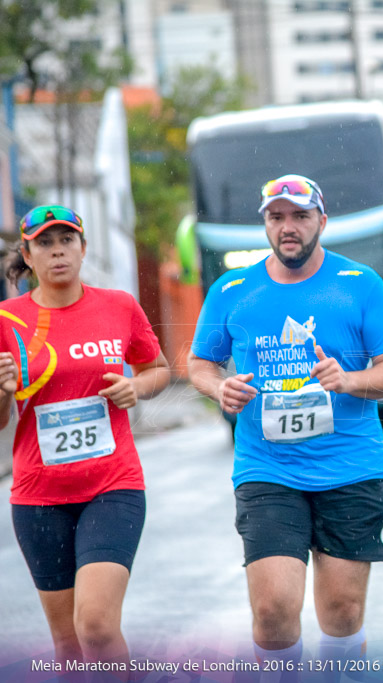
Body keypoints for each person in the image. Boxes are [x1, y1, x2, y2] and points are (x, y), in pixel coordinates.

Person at [187, 174, 383, 668]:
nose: (288, 227)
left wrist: (350, 380)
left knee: (342, 612)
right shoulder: (232, 289)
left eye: (299, 216)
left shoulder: (359, 285)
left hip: (350, 468)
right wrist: (217, 387)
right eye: (276, 217)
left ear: (321, 221)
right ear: (265, 224)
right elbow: (200, 363)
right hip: (267, 469)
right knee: (272, 612)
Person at [0, 205, 170, 668]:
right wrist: (4, 391)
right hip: (39, 496)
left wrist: (135, 387)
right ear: (29, 256)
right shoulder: (7, 320)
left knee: (94, 626)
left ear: (83, 248)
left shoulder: (118, 305)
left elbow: (158, 369)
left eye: (67, 241)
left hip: (113, 485)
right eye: (45, 244)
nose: (58, 251)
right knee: (68, 646)